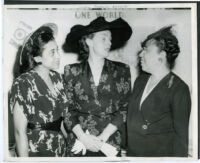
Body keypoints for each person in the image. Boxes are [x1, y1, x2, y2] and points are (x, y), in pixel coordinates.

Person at [62, 16, 132, 156]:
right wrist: (83, 137)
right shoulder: (71, 71)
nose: (109, 43)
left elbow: (125, 108)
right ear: (89, 41)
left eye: (110, 39)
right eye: (104, 38)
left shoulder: (122, 70)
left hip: (109, 143)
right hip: (79, 143)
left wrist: (103, 137)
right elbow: (67, 109)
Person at [127, 26, 191, 157]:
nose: (140, 54)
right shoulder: (141, 80)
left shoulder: (179, 89)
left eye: (146, 51)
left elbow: (181, 139)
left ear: (161, 56)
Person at [9, 23, 68, 157]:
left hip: (60, 148)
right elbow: (19, 132)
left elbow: (61, 121)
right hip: (36, 150)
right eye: (52, 52)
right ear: (37, 58)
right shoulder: (23, 83)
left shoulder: (58, 78)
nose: (58, 56)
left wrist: (70, 144)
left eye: (57, 50)